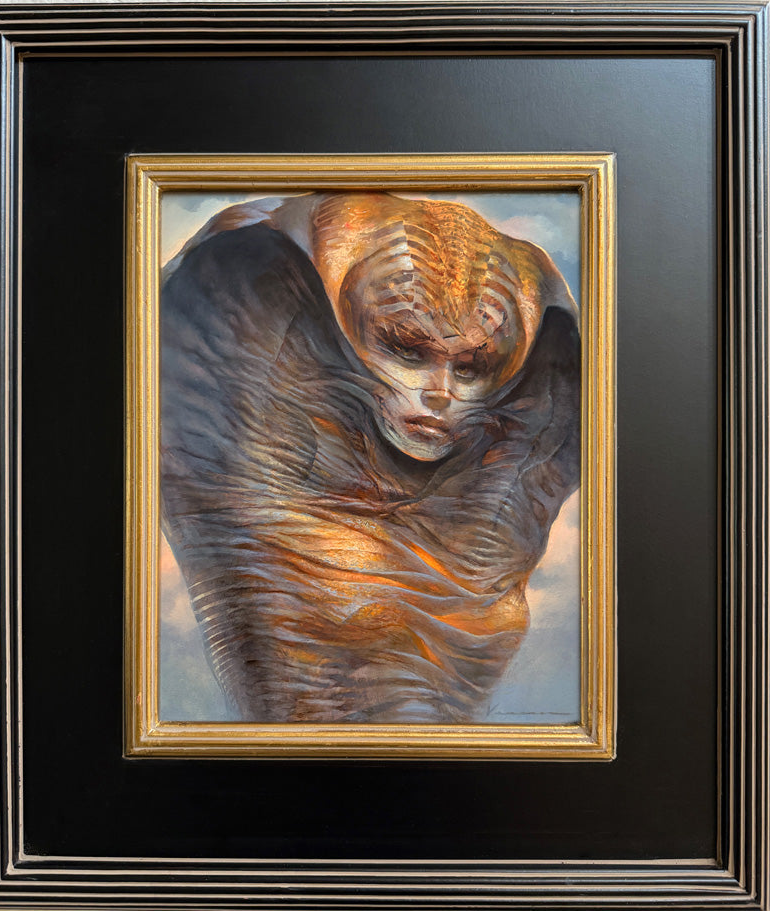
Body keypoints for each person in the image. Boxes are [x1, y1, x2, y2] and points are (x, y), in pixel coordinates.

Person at [160, 192, 580, 723]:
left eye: (470, 368)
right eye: (406, 349)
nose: (439, 394)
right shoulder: (237, 323)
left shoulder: (517, 434)